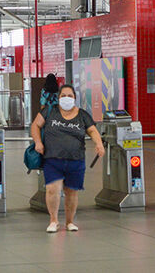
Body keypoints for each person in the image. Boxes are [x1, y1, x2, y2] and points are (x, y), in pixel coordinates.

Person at [31, 85, 104, 233]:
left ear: (75, 98)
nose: (66, 98)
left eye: (70, 96)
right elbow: (35, 125)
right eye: (63, 95)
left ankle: (70, 222)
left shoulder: (83, 115)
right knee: (52, 189)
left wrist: (99, 144)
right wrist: (38, 141)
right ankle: (54, 220)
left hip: (75, 159)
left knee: (72, 192)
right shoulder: (49, 111)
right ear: (58, 98)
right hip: (53, 158)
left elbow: (92, 130)